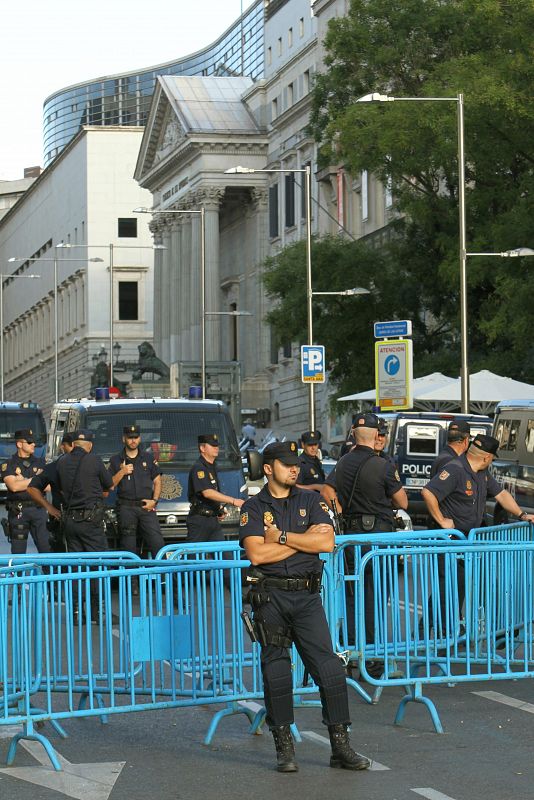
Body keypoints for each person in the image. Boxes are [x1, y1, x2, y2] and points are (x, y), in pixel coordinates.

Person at [239, 440, 370, 773]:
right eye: (286, 464)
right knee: (277, 672)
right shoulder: (253, 507)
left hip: (307, 597)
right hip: (271, 597)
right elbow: (257, 554)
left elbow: (325, 542)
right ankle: (284, 748)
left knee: (329, 669)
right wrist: (302, 542)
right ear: (268, 469)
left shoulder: (311, 500)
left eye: (296, 464)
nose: (294, 469)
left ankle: (341, 747)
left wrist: (281, 537)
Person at [422, 434, 534, 626]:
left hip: (469, 542)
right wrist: (441, 520)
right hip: (450, 541)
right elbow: (428, 492)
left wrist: (522, 515)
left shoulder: (482, 473)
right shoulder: (455, 469)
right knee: (450, 589)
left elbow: (501, 494)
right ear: (486, 457)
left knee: (468, 585)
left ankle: (438, 628)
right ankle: (444, 634)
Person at [324, 413, 408, 665]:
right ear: (375, 435)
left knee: (352, 593)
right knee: (377, 596)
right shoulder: (383, 465)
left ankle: (350, 648)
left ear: (353, 433)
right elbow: (402, 501)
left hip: (351, 536)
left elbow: (327, 490)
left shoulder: (343, 462)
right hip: (378, 537)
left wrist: (340, 512)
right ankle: (372, 653)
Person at [109, 424, 164, 557]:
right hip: (126, 508)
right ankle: (132, 572)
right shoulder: (115, 460)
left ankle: (161, 570)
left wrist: (154, 501)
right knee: (128, 548)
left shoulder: (148, 458)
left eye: (136, 437)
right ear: (124, 439)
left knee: (157, 543)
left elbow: (157, 481)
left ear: (139, 439)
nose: (133, 440)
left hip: (146, 507)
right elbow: (110, 485)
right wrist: (122, 472)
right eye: (130, 438)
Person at [186, 433, 244, 543]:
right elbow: (207, 492)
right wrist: (233, 501)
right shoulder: (199, 468)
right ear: (202, 448)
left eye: (217, 445)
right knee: (195, 553)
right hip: (200, 521)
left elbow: (212, 492)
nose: (216, 448)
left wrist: (219, 508)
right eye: (212, 446)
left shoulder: (211, 466)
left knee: (223, 552)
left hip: (213, 519)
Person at [2, 428, 50, 554]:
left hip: (38, 510)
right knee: (18, 552)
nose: (33, 444)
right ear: (19, 444)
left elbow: (48, 486)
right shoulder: (9, 464)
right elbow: (14, 486)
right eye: (29, 442)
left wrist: (23, 481)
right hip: (18, 512)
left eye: (33, 442)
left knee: (46, 549)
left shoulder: (41, 462)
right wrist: (37, 480)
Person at [26, 433, 75, 551]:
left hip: (87, 520)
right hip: (62, 519)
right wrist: (50, 508)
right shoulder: (55, 466)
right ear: (63, 447)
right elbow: (32, 488)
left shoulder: (91, 464)